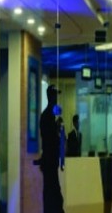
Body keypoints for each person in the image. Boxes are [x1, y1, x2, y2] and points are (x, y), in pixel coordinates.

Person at [39, 85, 65, 213]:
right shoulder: (47, 116)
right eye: (55, 96)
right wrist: (56, 128)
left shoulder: (50, 115)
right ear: (51, 97)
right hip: (49, 161)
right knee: (53, 194)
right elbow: (49, 139)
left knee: (53, 193)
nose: (56, 99)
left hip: (51, 162)